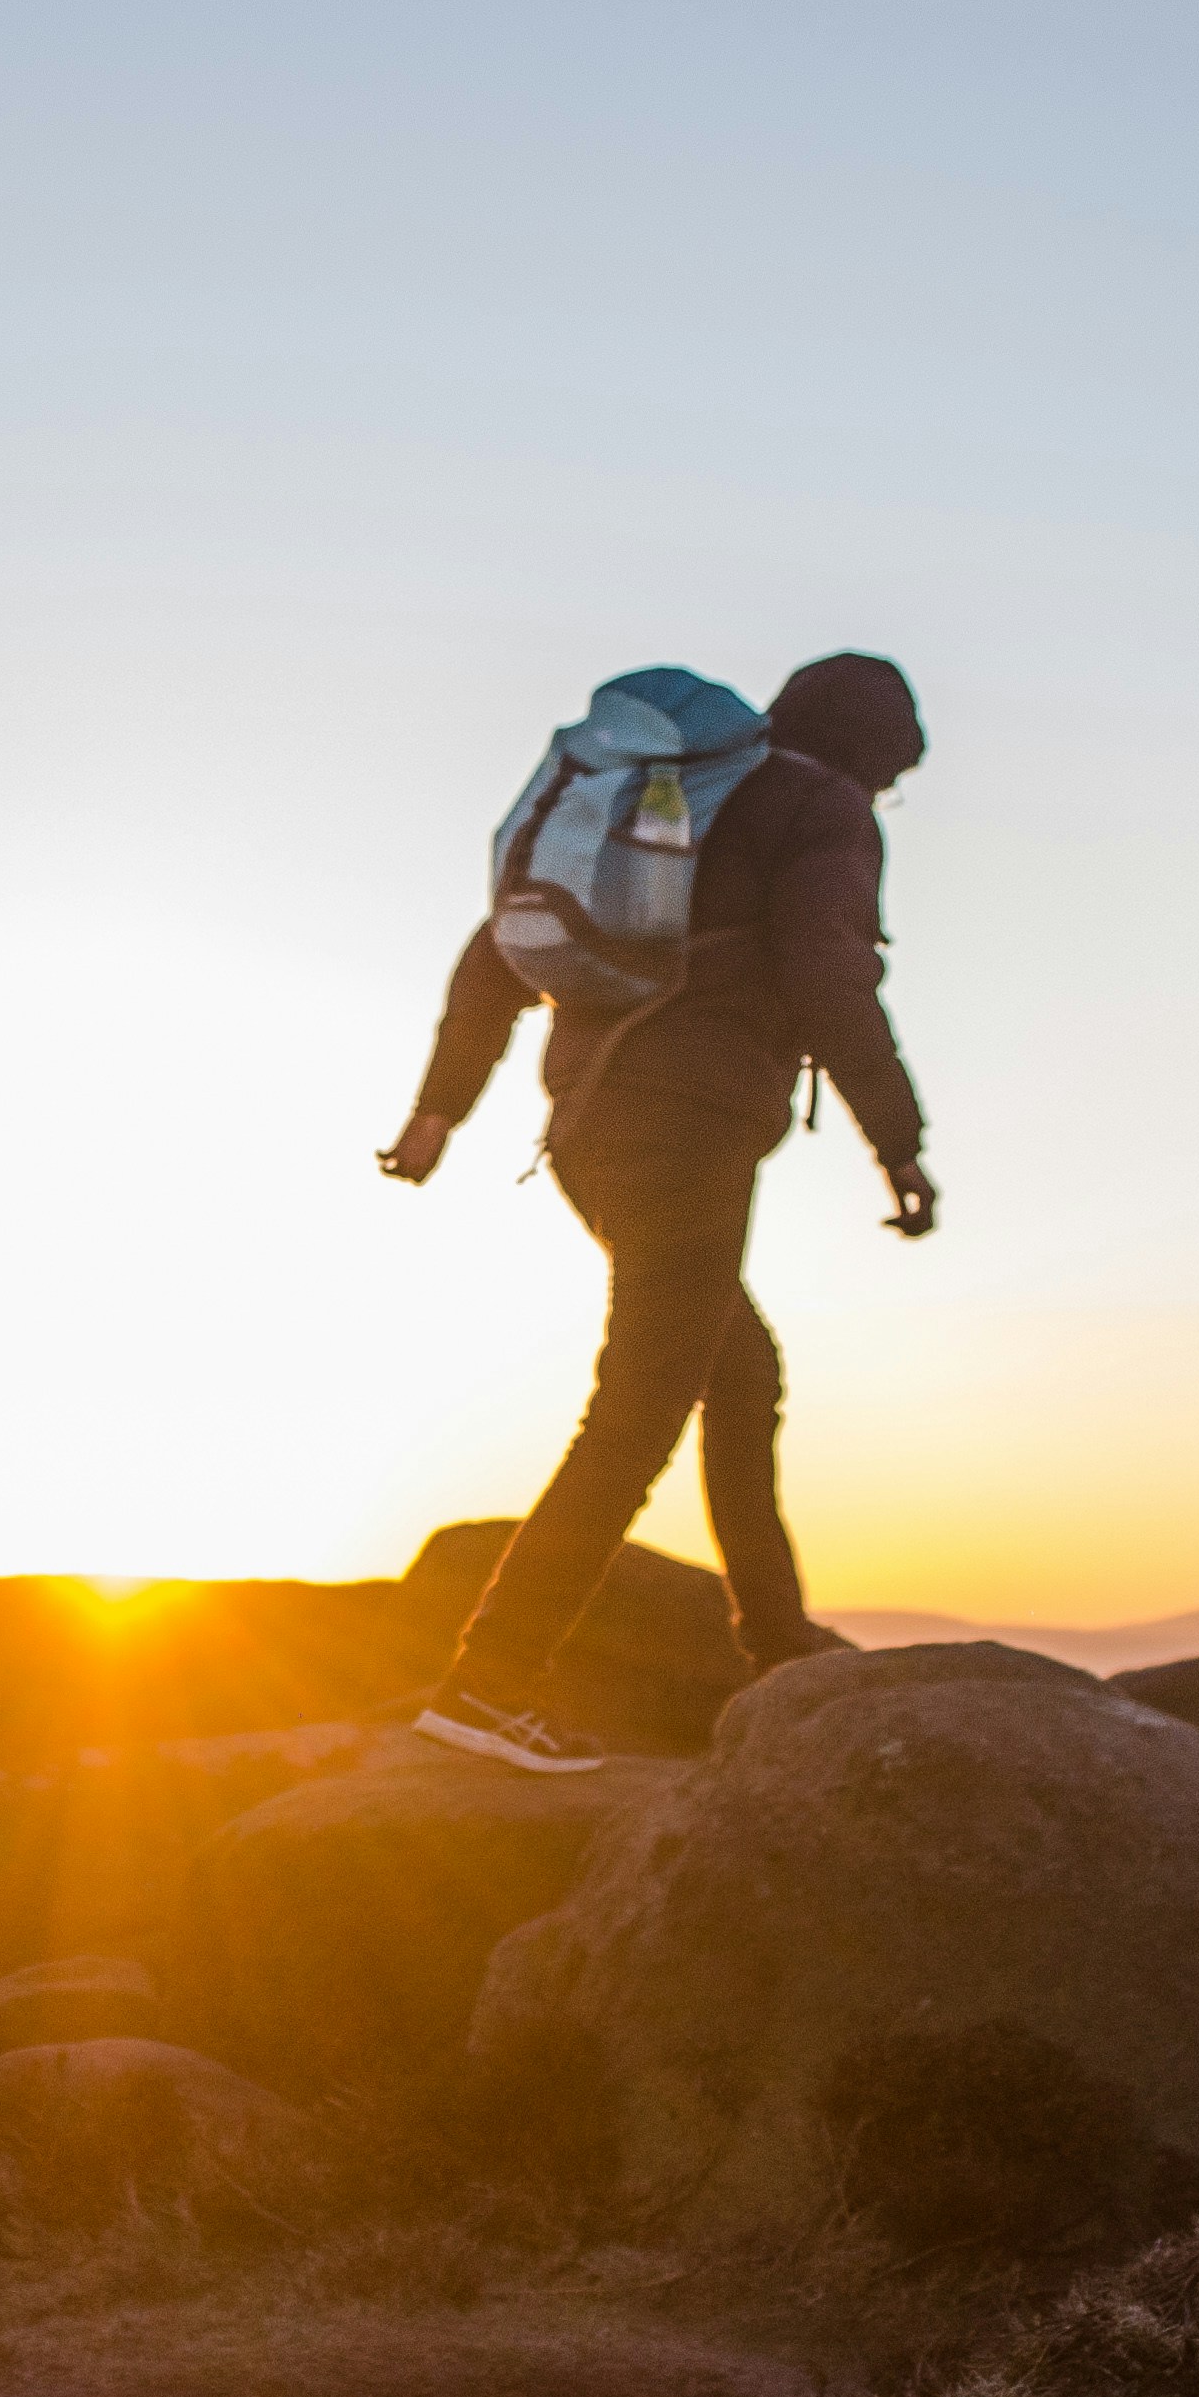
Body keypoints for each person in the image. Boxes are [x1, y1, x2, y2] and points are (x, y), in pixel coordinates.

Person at [377, 652, 935, 1773]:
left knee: (736, 1373)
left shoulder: (673, 803)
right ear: (873, 756)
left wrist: (438, 1112)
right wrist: (898, 1141)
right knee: (637, 1409)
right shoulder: (818, 807)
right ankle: (487, 1684)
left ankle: (774, 1647)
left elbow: (494, 952)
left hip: (588, 1126)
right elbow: (828, 969)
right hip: (687, 1130)